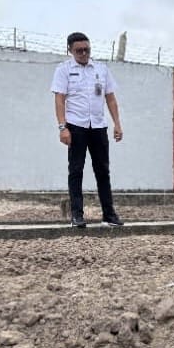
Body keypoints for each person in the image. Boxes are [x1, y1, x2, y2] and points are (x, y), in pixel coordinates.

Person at [51, 32, 124, 228]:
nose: (84, 53)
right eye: (79, 51)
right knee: (76, 170)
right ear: (70, 50)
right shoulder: (63, 70)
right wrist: (62, 127)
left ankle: (109, 214)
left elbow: (110, 98)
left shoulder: (101, 69)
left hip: (98, 126)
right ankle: (77, 215)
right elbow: (59, 100)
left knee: (103, 171)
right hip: (76, 127)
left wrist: (117, 124)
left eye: (87, 50)